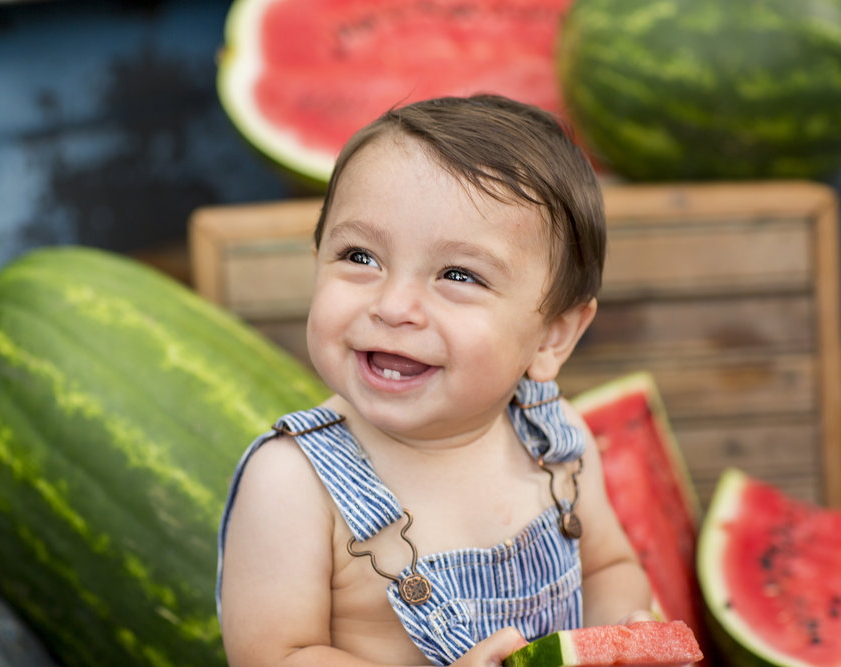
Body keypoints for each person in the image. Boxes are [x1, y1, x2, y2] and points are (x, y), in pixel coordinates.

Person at [216, 94, 654, 666]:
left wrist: (623, 631)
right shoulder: (291, 483)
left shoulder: (556, 442)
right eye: (360, 256)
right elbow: (276, 657)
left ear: (552, 337)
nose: (394, 305)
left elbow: (607, 567)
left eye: (458, 274)